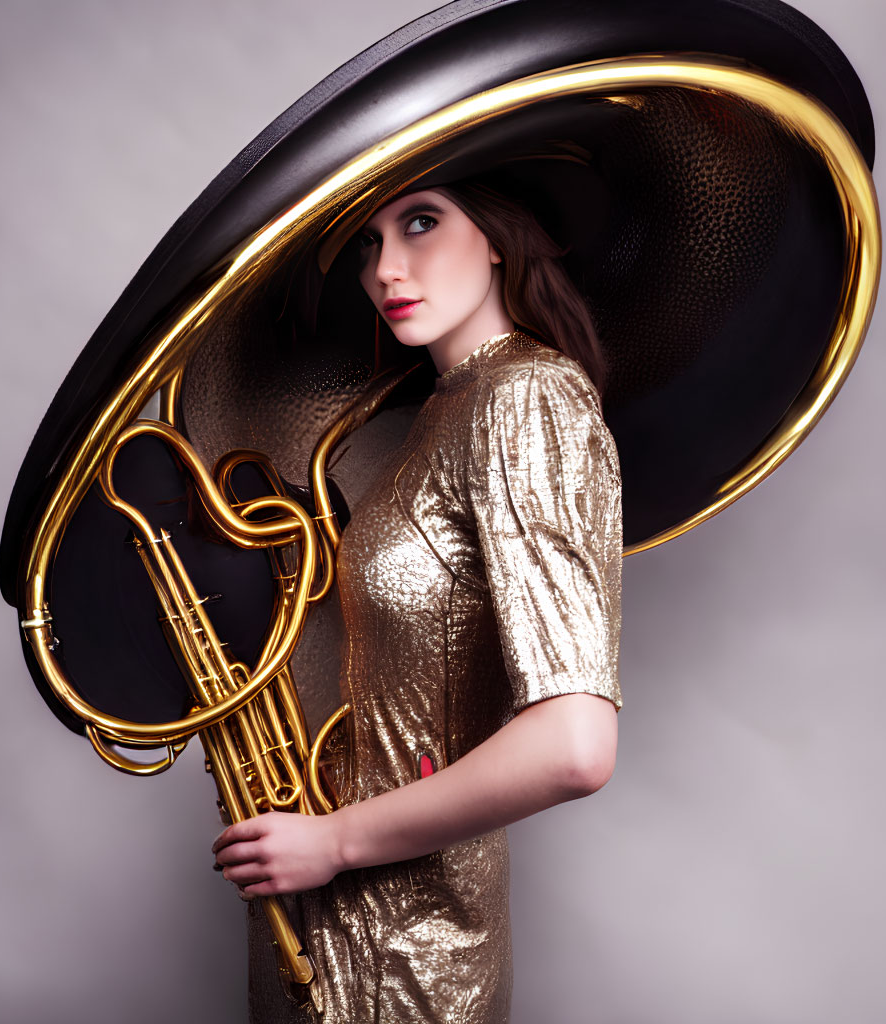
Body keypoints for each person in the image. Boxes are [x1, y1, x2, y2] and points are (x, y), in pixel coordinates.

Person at [212, 181, 623, 1023]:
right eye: (367, 242)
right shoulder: (445, 406)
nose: (386, 269)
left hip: (407, 956)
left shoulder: (527, 397)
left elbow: (575, 744)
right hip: (327, 927)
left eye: (422, 222)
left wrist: (331, 843)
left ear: (503, 233)